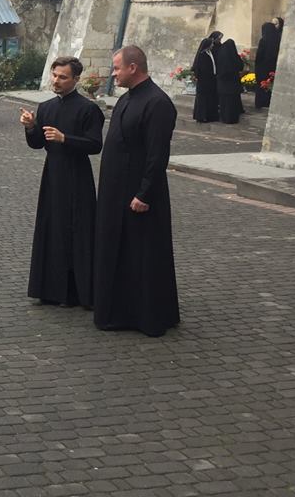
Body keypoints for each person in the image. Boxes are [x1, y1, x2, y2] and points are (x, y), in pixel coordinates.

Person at [93, 46, 179, 337]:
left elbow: (157, 155)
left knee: (143, 256)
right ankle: (119, 310)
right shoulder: (126, 98)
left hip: (139, 195)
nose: (113, 74)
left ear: (133, 67)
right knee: (119, 253)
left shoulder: (157, 103)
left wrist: (144, 194)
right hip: (115, 192)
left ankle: (147, 315)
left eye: (117, 68)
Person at [20, 57, 105, 308]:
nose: (56, 81)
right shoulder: (46, 107)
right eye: (54, 75)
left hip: (77, 176)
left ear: (76, 79)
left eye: (62, 77)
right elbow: (38, 144)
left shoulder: (88, 109)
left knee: (76, 231)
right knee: (52, 229)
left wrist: (65, 138)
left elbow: (95, 145)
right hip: (53, 176)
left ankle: (75, 292)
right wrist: (31, 127)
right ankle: (50, 290)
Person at [191, 32, 220, 123]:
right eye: (211, 44)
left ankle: (209, 115)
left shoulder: (209, 53)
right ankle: (201, 116)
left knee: (209, 99)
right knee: (203, 99)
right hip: (204, 81)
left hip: (210, 80)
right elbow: (202, 69)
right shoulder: (202, 55)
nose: (212, 45)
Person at [214, 38, 244, 124]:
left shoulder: (220, 55)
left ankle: (224, 118)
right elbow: (240, 66)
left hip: (222, 83)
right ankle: (232, 119)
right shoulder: (234, 56)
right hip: (233, 83)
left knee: (224, 102)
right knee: (232, 102)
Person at [254, 22, 280, 109]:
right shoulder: (278, 39)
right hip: (273, 66)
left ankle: (261, 102)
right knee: (271, 82)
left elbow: (259, 55)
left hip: (262, 67)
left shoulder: (263, 40)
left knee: (262, 84)